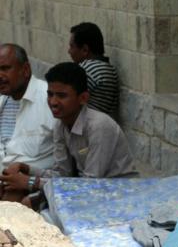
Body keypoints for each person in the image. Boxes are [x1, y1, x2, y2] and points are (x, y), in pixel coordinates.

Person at [0, 62, 136, 208]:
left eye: (62, 96)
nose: (53, 102)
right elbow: (62, 175)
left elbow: (91, 183)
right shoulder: (60, 124)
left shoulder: (99, 126)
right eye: (50, 94)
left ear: (83, 98)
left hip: (116, 192)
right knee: (18, 198)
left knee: (29, 203)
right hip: (82, 189)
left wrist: (31, 182)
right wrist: (26, 168)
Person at [0, 44, 55, 201]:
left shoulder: (49, 99)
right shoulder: (3, 98)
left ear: (25, 70)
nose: (0, 75)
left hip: (30, 187)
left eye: (5, 68)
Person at [69, 22, 119, 117]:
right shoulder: (107, 69)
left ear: (85, 50)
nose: (69, 51)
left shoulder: (88, 70)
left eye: (72, 46)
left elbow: (67, 100)